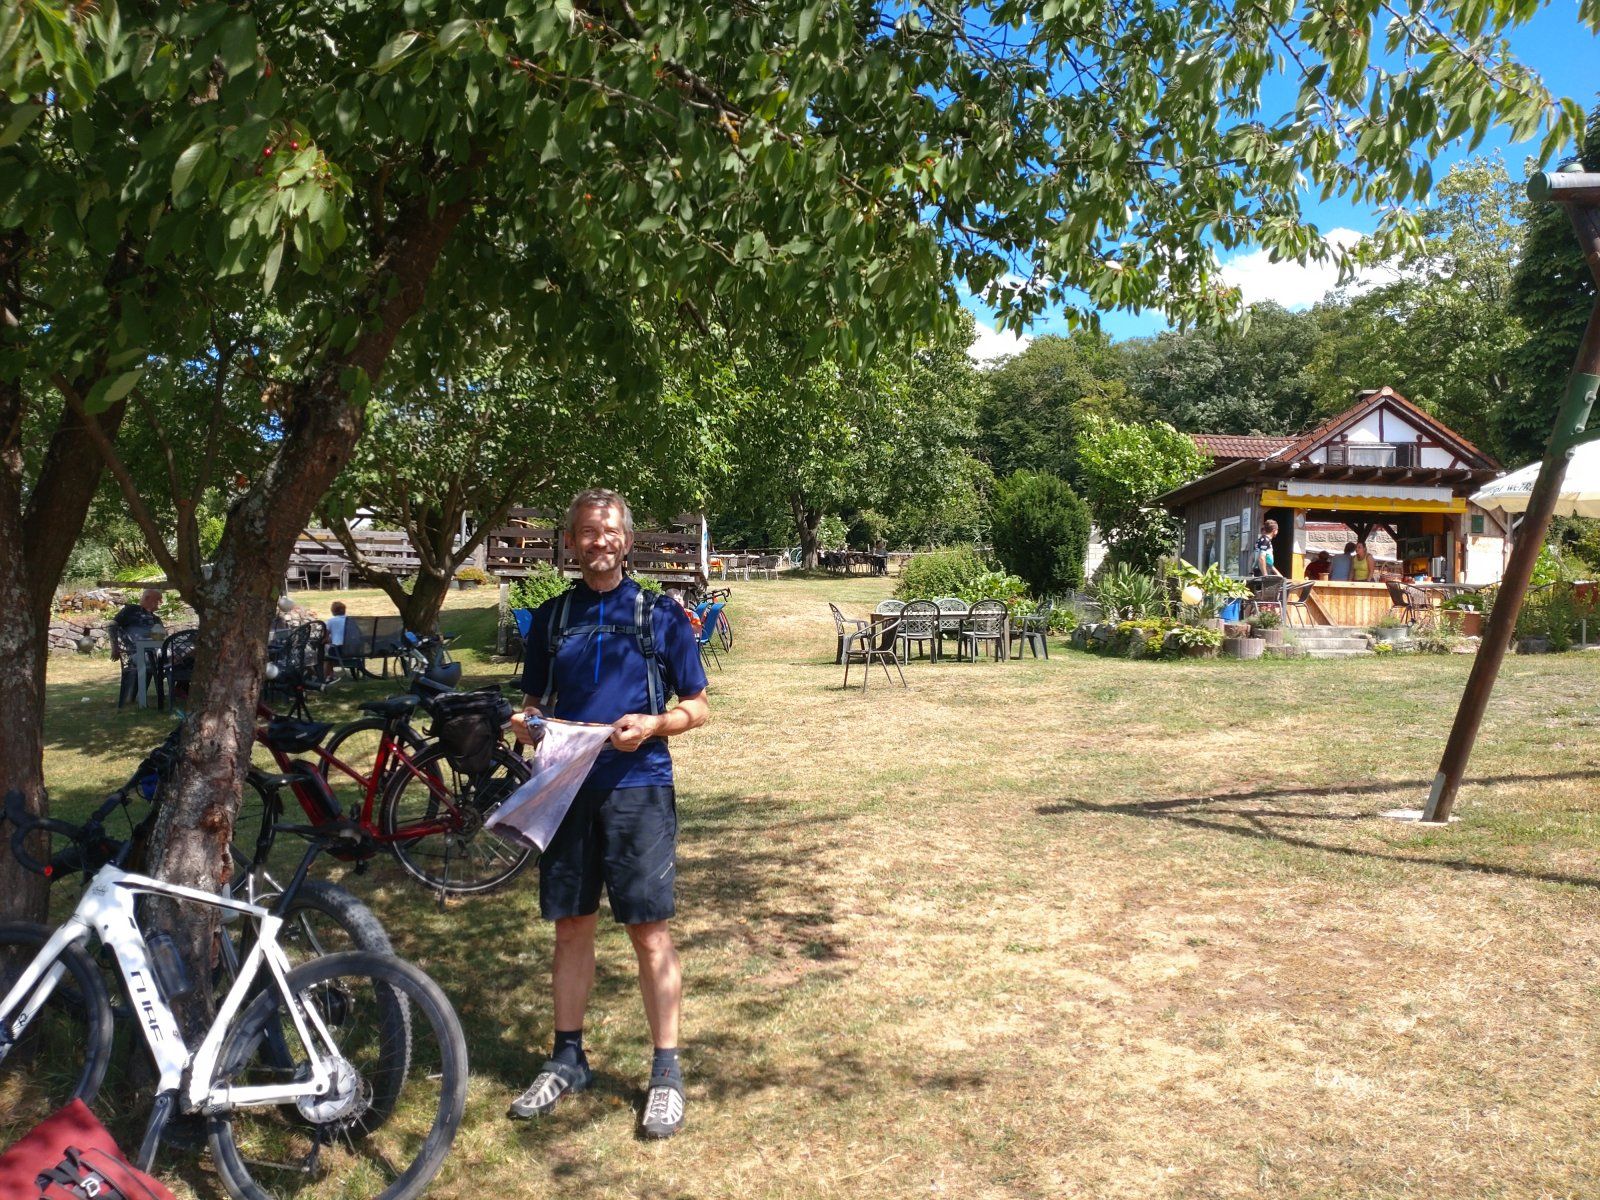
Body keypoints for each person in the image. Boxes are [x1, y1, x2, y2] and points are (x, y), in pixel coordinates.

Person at [508, 488, 710, 1140]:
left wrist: (654, 724)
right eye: (587, 533)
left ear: (626, 541)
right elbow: (534, 704)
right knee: (571, 927)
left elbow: (698, 707)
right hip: (566, 791)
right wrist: (527, 723)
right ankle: (567, 1058)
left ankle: (666, 1072)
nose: (600, 542)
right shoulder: (551, 618)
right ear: (570, 542)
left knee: (648, 931)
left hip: (638, 788)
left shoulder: (661, 615)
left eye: (610, 532)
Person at [111, 588, 164, 657]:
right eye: (158, 599)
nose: (161, 602)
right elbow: (111, 624)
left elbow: (161, 639)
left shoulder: (156, 619)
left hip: (158, 652)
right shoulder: (131, 610)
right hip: (140, 654)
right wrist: (115, 649)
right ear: (147, 598)